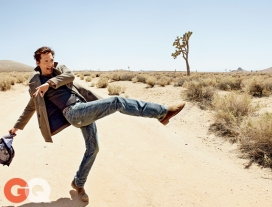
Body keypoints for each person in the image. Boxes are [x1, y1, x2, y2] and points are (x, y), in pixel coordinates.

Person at [9, 46, 185, 202]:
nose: (50, 63)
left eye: (52, 60)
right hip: (74, 112)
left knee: (93, 148)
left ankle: (78, 183)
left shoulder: (59, 72)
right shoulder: (36, 84)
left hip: (84, 107)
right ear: (38, 62)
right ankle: (162, 113)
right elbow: (31, 107)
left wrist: (50, 83)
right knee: (117, 101)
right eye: (46, 61)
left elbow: (70, 75)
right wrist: (17, 127)